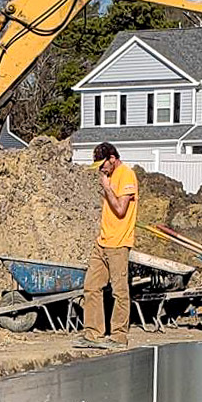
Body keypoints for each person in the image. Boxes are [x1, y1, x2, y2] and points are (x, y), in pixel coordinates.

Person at [78, 142, 138, 349]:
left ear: (112, 158)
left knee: (119, 291)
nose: (101, 170)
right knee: (91, 286)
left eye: (103, 165)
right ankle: (92, 333)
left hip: (119, 244)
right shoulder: (110, 176)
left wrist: (107, 189)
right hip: (102, 242)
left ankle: (119, 336)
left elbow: (121, 210)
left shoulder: (126, 175)